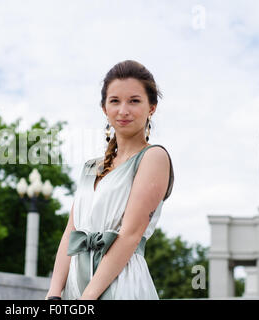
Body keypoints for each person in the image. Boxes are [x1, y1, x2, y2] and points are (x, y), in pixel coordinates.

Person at [45, 60, 174, 300]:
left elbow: (130, 235)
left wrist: (88, 298)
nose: (123, 110)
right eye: (115, 101)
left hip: (121, 282)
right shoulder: (90, 167)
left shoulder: (154, 157)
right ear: (104, 108)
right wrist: (54, 292)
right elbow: (71, 231)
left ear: (152, 107)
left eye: (134, 101)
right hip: (76, 281)